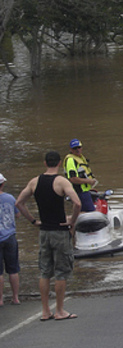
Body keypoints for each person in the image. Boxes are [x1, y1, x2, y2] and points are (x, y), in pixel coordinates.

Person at [16, 151, 81, 321]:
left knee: (44, 271)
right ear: (59, 163)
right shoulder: (61, 181)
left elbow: (19, 203)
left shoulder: (34, 182)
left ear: (45, 163)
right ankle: (59, 310)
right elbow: (77, 203)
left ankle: (45, 311)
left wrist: (33, 221)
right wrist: (71, 222)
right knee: (61, 272)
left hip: (44, 231)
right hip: (59, 230)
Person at [0, 173, 21, 306]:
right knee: (13, 269)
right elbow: (18, 215)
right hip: (10, 237)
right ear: (2, 184)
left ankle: (0, 299)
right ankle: (15, 297)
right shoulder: (10, 198)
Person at [64, 138, 97, 212]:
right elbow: (73, 179)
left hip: (85, 191)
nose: (77, 150)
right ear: (71, 149)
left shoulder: (79, 158)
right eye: (75, 148)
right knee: (91, 213)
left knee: (84, 212)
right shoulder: (71, 160)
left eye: (79, 147)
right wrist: (89, 181)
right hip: (79, 192)